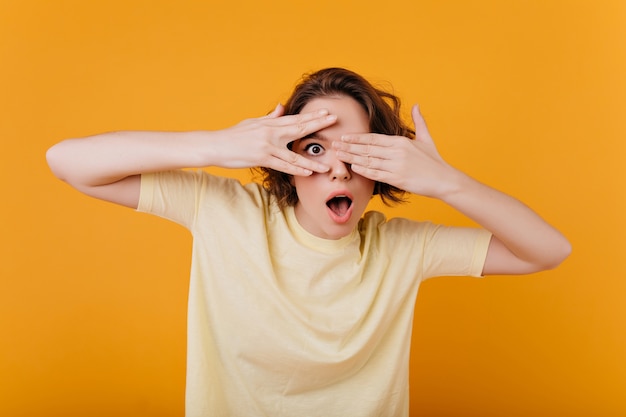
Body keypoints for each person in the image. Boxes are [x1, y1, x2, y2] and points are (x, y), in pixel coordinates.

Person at [46, 67, 571, 417]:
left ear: (383, 168)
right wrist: (218, 145)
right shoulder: (225, 212)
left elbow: (548, 251)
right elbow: (67, 162)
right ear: (285, 162)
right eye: (315, 147)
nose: (337, 169)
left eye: (358, 150)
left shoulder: (401, 249)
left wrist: (446, 182)